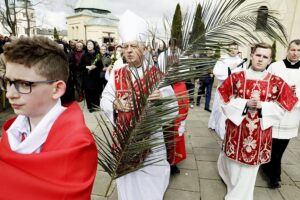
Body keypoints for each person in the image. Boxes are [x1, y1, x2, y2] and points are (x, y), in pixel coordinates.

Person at [0, 36, 98, 199]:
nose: (10, 94)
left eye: (24, 84)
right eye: (8, 82)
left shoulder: (77, 144)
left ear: (57, 89)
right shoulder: (13, 131)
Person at [100, 10, 177, 200]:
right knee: (127, 181)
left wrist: (161, 101)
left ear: (144, 49)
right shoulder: (117, 74)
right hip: (125, 138)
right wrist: (115, 104)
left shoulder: (158, 77)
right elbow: (104, 100)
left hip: (151, 140)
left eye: (133, 46)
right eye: (125, 46)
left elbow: (173, 110)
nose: (128, 50)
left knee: (151, 182)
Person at [217, 42, 298, 200]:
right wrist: (244, 104)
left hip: (259, 134)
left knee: (249, 169)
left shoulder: (276, 82)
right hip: (236, 131)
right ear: (252, 55)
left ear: (270, 60)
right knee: (232, 165)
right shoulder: (236, 77)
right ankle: (230, 181)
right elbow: (223, 101)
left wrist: (263, 106)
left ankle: (239, 196)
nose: (260, 59)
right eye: (258, 55)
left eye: (265, 57)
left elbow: (286, 105)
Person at [262, 39, 300, 188]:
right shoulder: (274, 66)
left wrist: (293, 93)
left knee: (279, 150)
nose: (295, 53)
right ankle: (268, 169)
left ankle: (274, 176)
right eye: (293, 50)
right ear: (287, 50)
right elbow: (265, 86)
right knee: (269, 146)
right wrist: (281, 91)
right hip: (274, 113)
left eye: (298, 51)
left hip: (290, 116)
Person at [208, 42, 245, 139]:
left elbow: (244, 75)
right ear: (228, 49)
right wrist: (228, 69)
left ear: (238, 50)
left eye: (235, 48)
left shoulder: (241, 61)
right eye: (231, 48)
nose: (233, 50)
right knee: (219, 108)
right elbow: (216, 72)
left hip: (235, 90)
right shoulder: (222, 59)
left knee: (231, 109)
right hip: (223, 87)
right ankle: (216, 126)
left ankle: (229, 129)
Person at [80, 40, 103, 112]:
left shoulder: (97, 54)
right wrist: (87, 67)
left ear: (93, 46)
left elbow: (101, 66)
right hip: (87, 76)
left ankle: (96, 106)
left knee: (96, 91)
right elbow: (80, 66)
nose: (89, 46)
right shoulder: (84, 55)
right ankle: (90, 107)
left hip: (95, 76)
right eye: (88, 44)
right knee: (88, 92)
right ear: (86, 46)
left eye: (91, 44)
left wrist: (95, 67)